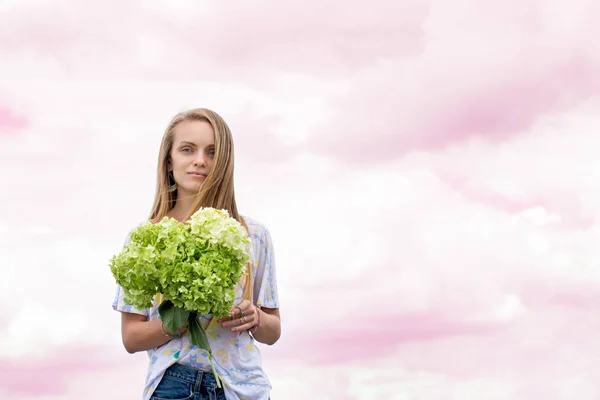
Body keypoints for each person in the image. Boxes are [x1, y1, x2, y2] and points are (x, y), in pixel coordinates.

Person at [112, 108, 281, 400]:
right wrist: (177, 318)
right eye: (187, 149)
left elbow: (273, 331)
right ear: (169, 161)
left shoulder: (252, 235)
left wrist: (255, 318)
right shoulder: (145, 240)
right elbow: (131, 337)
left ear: (224, 162)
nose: (200, 161)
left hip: (242, 388)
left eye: (213, 152)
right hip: (173, 385)